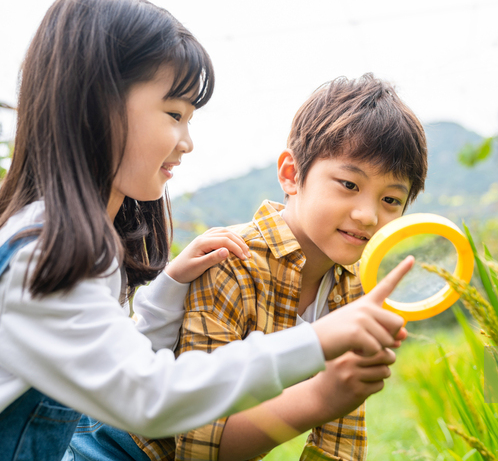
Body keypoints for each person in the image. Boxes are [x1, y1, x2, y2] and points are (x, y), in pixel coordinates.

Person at [0, 0, 413, 460]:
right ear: (95, 105)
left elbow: (111, 360)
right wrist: (317, 342)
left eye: (391, 199)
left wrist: (167, 288)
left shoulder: (68, 246)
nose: (187, 142)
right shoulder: (43, 255)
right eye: (174, 114)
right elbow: (152, 398)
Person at [120, 74, 428, 461]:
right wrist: (322, 396)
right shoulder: (233, 264)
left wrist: (335, 398)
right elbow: (197, 448)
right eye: (349, 185)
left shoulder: (355, 288)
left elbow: (341, 438)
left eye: (391, 199)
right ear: (291, 175)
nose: (367, 215)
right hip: (118, 447)